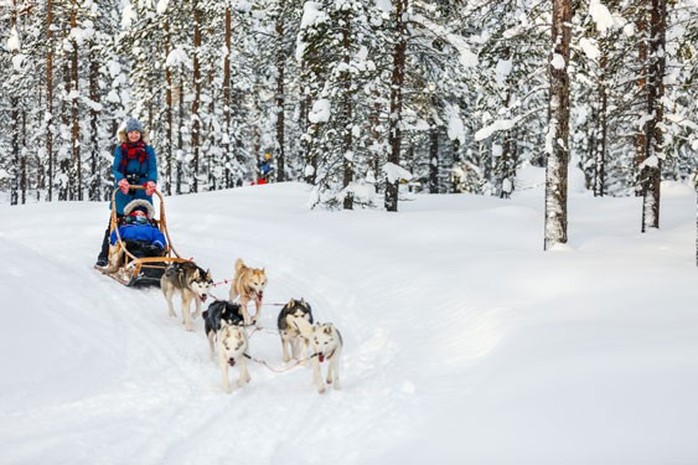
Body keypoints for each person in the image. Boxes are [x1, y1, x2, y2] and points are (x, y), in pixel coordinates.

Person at [95, 117, 158, 267]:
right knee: (115, 223)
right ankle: (104, 255)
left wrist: (151, 181)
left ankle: (148, 252)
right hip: (123, 192)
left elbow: (152, 169)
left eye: (137, 132)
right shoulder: (121, 149)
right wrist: (121, 180)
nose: (134, 135)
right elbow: (116, 168)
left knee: (143, 223)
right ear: (126, 134)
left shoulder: (148, 150)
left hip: (142, 191)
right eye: (131, 132)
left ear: (141, 134)